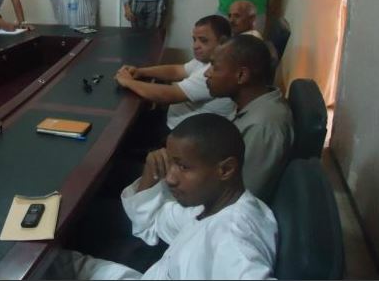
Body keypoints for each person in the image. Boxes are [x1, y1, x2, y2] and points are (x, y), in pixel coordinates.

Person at [49, 114, 277, 279]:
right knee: (55, 263)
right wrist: (150, 173)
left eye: (183, 167)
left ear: (225, 169)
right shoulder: (211, 207)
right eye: (171, 164)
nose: (170, 178)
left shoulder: (233, 236)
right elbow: (154, 220)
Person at [205, 34, 294, 200]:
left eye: (215, 68)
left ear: (241, 76)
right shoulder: (252, 103)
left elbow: (242, 196)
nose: (206, 73)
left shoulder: (263, 127)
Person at [115, 15, 234, 132]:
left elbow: (168, 95)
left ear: (222, 42)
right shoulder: (207, 60)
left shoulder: (216, 71)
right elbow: (177, 70)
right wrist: (141, 71)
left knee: (124, 127)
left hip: (181, 134)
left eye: (203, 40)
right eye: (194, 40)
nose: (195, 46)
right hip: (173, 120)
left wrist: (128, 82)